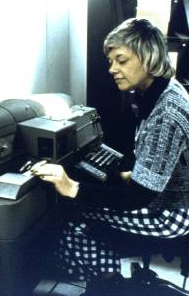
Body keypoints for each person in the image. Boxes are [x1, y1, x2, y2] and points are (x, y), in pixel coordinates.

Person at [31, 18, 189, 296]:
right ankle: (108, 278)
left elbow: (139, 197)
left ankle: (108, 283)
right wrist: (122, 177)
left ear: (148, 57)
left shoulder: (166, 111)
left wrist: (73, 187)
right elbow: (156, 169)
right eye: (110, 61)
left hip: (172, 214)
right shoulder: (160, 93)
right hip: (171, 200)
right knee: (92, 200)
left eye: (121, 60)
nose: (112, 69)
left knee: (70, 219)